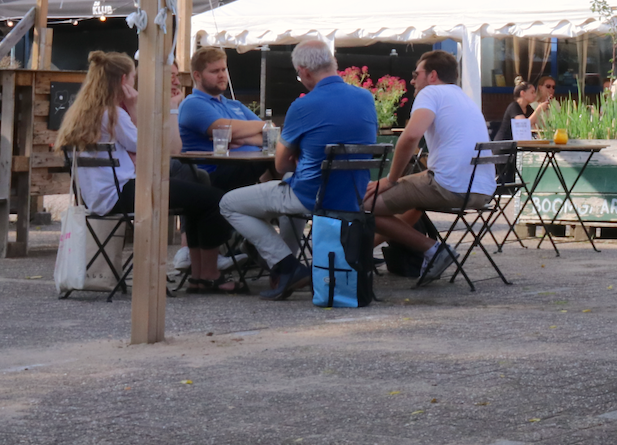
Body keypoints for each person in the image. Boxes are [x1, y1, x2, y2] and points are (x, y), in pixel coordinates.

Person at [57, 51, 239, 293]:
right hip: (123, 193)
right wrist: (134, 109)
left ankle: (200, 275)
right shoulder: (114, 114)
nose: (134, 83)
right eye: (133, 78)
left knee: (199, 195)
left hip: (96, 198)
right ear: (124, 80)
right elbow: (149, 149)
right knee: (213, 198)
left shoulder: (80, 113)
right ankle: (207, 274)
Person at [220, 38, 378, 301]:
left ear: (304, 71)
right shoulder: (365, 97)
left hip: (313, 196)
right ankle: (286, 267)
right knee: (293, 183)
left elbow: (280, 165)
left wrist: (298, 156)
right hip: (353, 196)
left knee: (229, 203)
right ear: (333, 63)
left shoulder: (303, 106)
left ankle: (285, 265)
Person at [366, 51, 491, 281]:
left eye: (416, 74)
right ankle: (362, 252)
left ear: (432, 75)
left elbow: (411, 136)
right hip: (482, 191)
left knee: (365, 204)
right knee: (413, 203)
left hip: (449, 187)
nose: (413, 80)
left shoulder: (431, 92)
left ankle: (433, 250)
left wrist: (391, 179)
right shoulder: (464, 97)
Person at [179, 46, 270, 192]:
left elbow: (271, 134)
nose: (222, 75)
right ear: (197, 76)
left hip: (246, 169)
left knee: (282, 158)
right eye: (215, 71)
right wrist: (260, 126)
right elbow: (225, 130)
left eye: (224, 69)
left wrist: (246, 139)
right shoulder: (193, 104)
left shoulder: (235, 105)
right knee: (277, 162)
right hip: (213, 176)